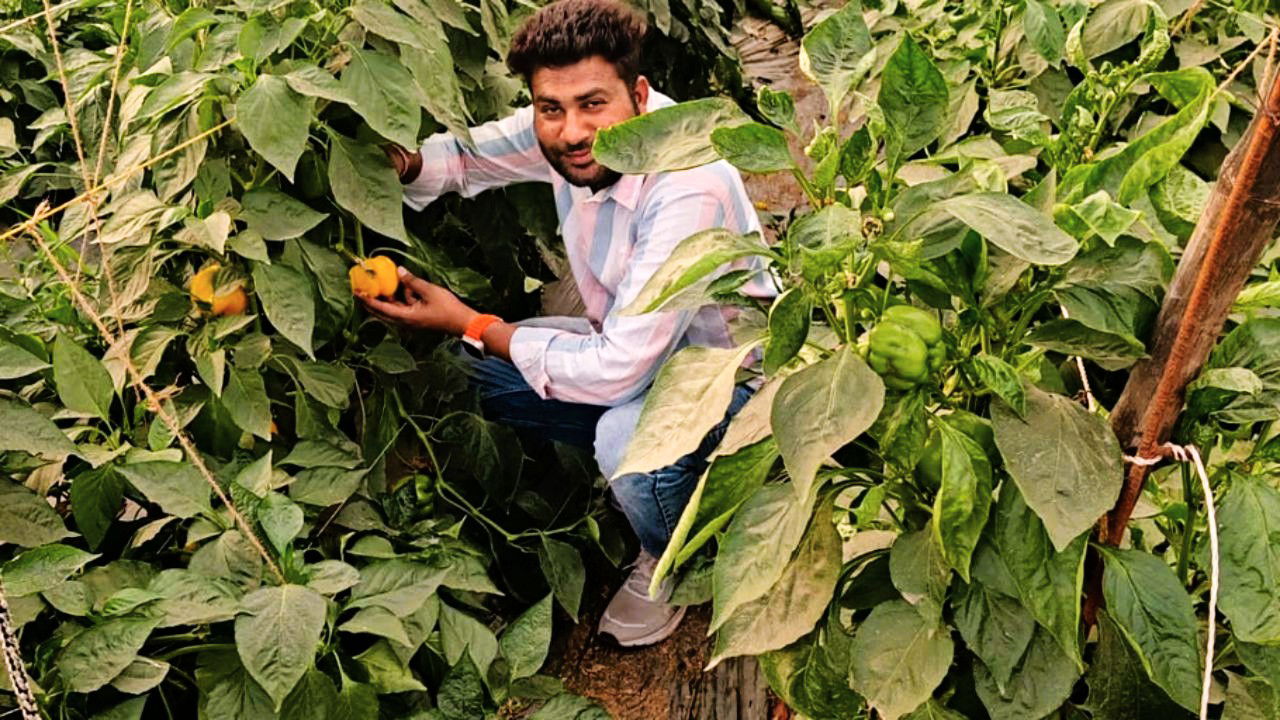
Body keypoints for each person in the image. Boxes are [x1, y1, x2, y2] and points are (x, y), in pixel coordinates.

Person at [363, 0, 773, 647]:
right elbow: (471, 158)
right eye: (550, 109)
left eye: (592, 104)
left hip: (725, 388)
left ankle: (675, 551)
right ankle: (656, 490)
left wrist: (470, 317)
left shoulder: (687, 182)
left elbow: (616, 371)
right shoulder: (567, 132)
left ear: (638, 95)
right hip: (630, 349)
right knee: (474, 366)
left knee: (622, 441)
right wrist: (398, 163)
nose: (572, 131)